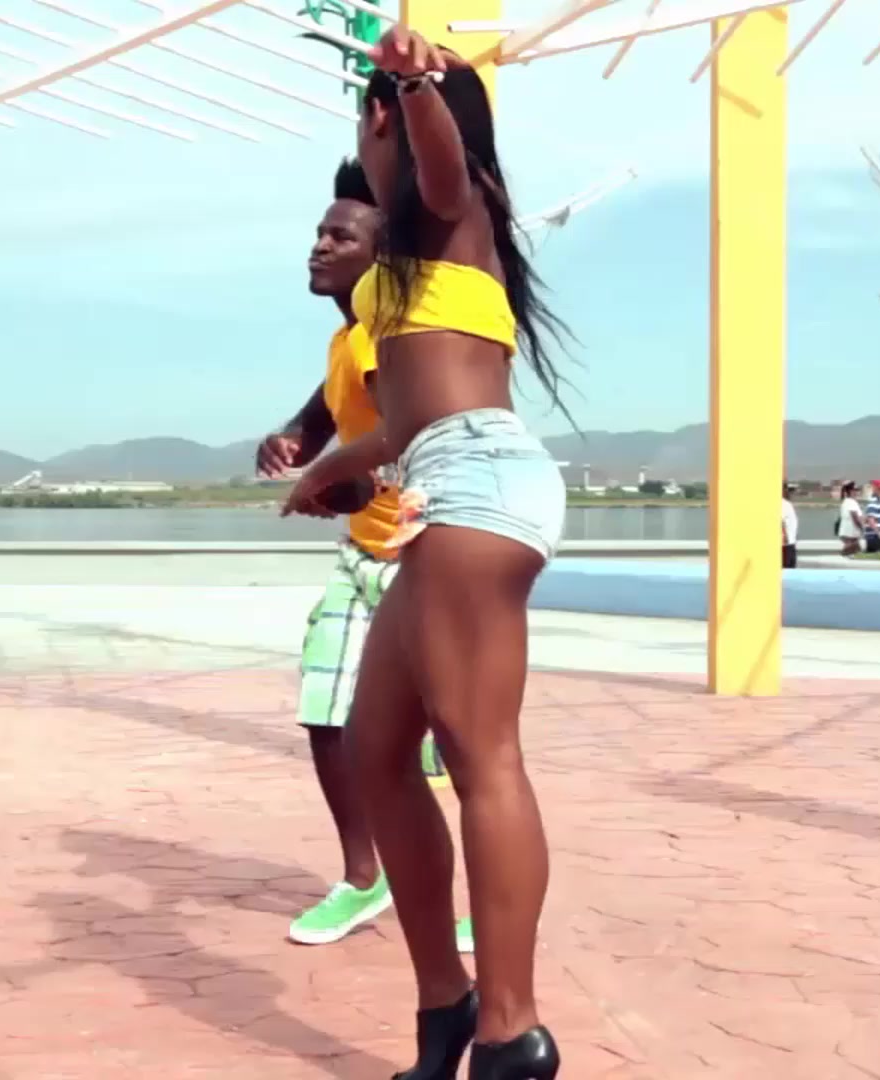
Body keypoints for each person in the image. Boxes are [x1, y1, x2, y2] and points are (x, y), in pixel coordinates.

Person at [280, 27, 568, 1080]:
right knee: (375, 747)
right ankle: (446, 1009)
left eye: (379, 118)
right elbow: (404, 425)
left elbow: (440, 164)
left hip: (481, 484)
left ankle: (510, 1032)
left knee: (482, 755)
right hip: (441, 481)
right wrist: (327, 470)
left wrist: (412, 85)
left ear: (384, 119)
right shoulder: (402, 269)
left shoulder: (460, 206)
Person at [257, 160, 475, 955]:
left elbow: (401, 438)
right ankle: (363, 879)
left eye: (340, 237)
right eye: (319, 232)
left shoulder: (393, 335)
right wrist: (291, 441)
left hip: (425, 554)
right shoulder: (346, 339)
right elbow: (325, 414)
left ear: (381, 256)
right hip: (364, 556)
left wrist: (334, 483)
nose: (319, 246)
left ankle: (484, 894)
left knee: (459, 738)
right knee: (326, 712)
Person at [837, 481, 866, 556]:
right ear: (850, 491)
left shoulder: (846, 502)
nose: (857, 492)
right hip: (850, 533)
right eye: (855, 490)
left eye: (857, 490)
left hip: (848, 532)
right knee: (850, 551)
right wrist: (862, 528)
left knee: (856, 552)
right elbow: (855, 518)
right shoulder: (851, 502)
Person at [863, 480, 880, 554]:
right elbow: (871, 519)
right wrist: (879, 533)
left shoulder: (879, 502)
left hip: (879, 534)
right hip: (875, 535)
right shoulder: (873, 502)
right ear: (875, 489)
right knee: (878, 553)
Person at [781, 483, 799, 569]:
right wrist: (785, 538)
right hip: (785, 545)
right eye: (789, 490)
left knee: (790, 569)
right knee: (786, 570)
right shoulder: (783, 504)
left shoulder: (787, 504)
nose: (791, 493)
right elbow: (781, 521)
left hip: (790, 543)